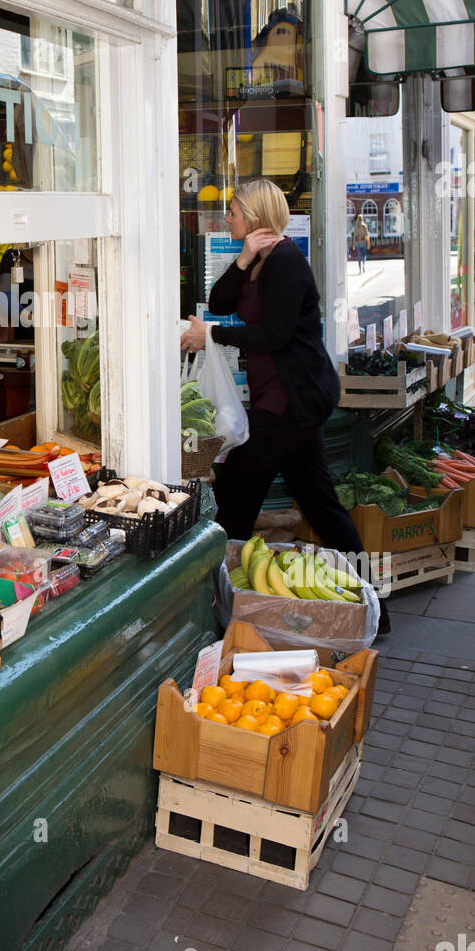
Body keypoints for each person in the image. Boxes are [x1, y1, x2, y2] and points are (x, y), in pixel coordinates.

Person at [181, 179, 389, 635]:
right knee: (321, 505)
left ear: (254, 216)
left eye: (233, 210)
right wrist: (242, 258)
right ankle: (376, 608)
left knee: (235, 498)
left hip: (291, 402)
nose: (228, 217)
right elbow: (218, 301)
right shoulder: (259, 262)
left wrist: (211, 335)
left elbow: (274, 335)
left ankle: (219, 613)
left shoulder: (287, 264)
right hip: (284, 401)